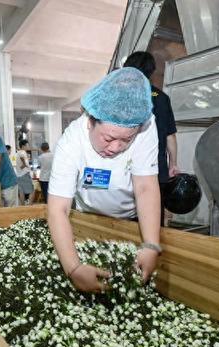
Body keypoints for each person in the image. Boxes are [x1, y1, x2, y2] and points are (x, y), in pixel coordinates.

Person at [47, 67, 161, 293]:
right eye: (108, 138)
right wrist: (74, 268)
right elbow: (57, 209)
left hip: (130, 219)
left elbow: (146, 186)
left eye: (126, 140)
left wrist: (150, 245)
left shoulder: (145, 125)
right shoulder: (71, 142)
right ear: (90, 121)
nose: (116, 148)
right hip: (86, 218)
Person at [123, 51, 178, 226]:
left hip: (126, 169)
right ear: (151, 71)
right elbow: (170, 135)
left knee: (125, 220)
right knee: (153, 218)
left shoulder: (121, 96)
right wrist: (173, 164)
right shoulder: (161, 98)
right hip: (156, 170)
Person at [15, 140, 34, 205]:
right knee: (31, 191)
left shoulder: (17, 153)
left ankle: (23, 206)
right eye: (27, 145)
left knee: (21, 192)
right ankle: (30, 206)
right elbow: (23, 159)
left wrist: (22, 166)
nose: (28, 146)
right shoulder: (23, 152)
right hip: (25, 174)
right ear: (23, 146)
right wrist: (24, 164)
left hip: (19, 175)